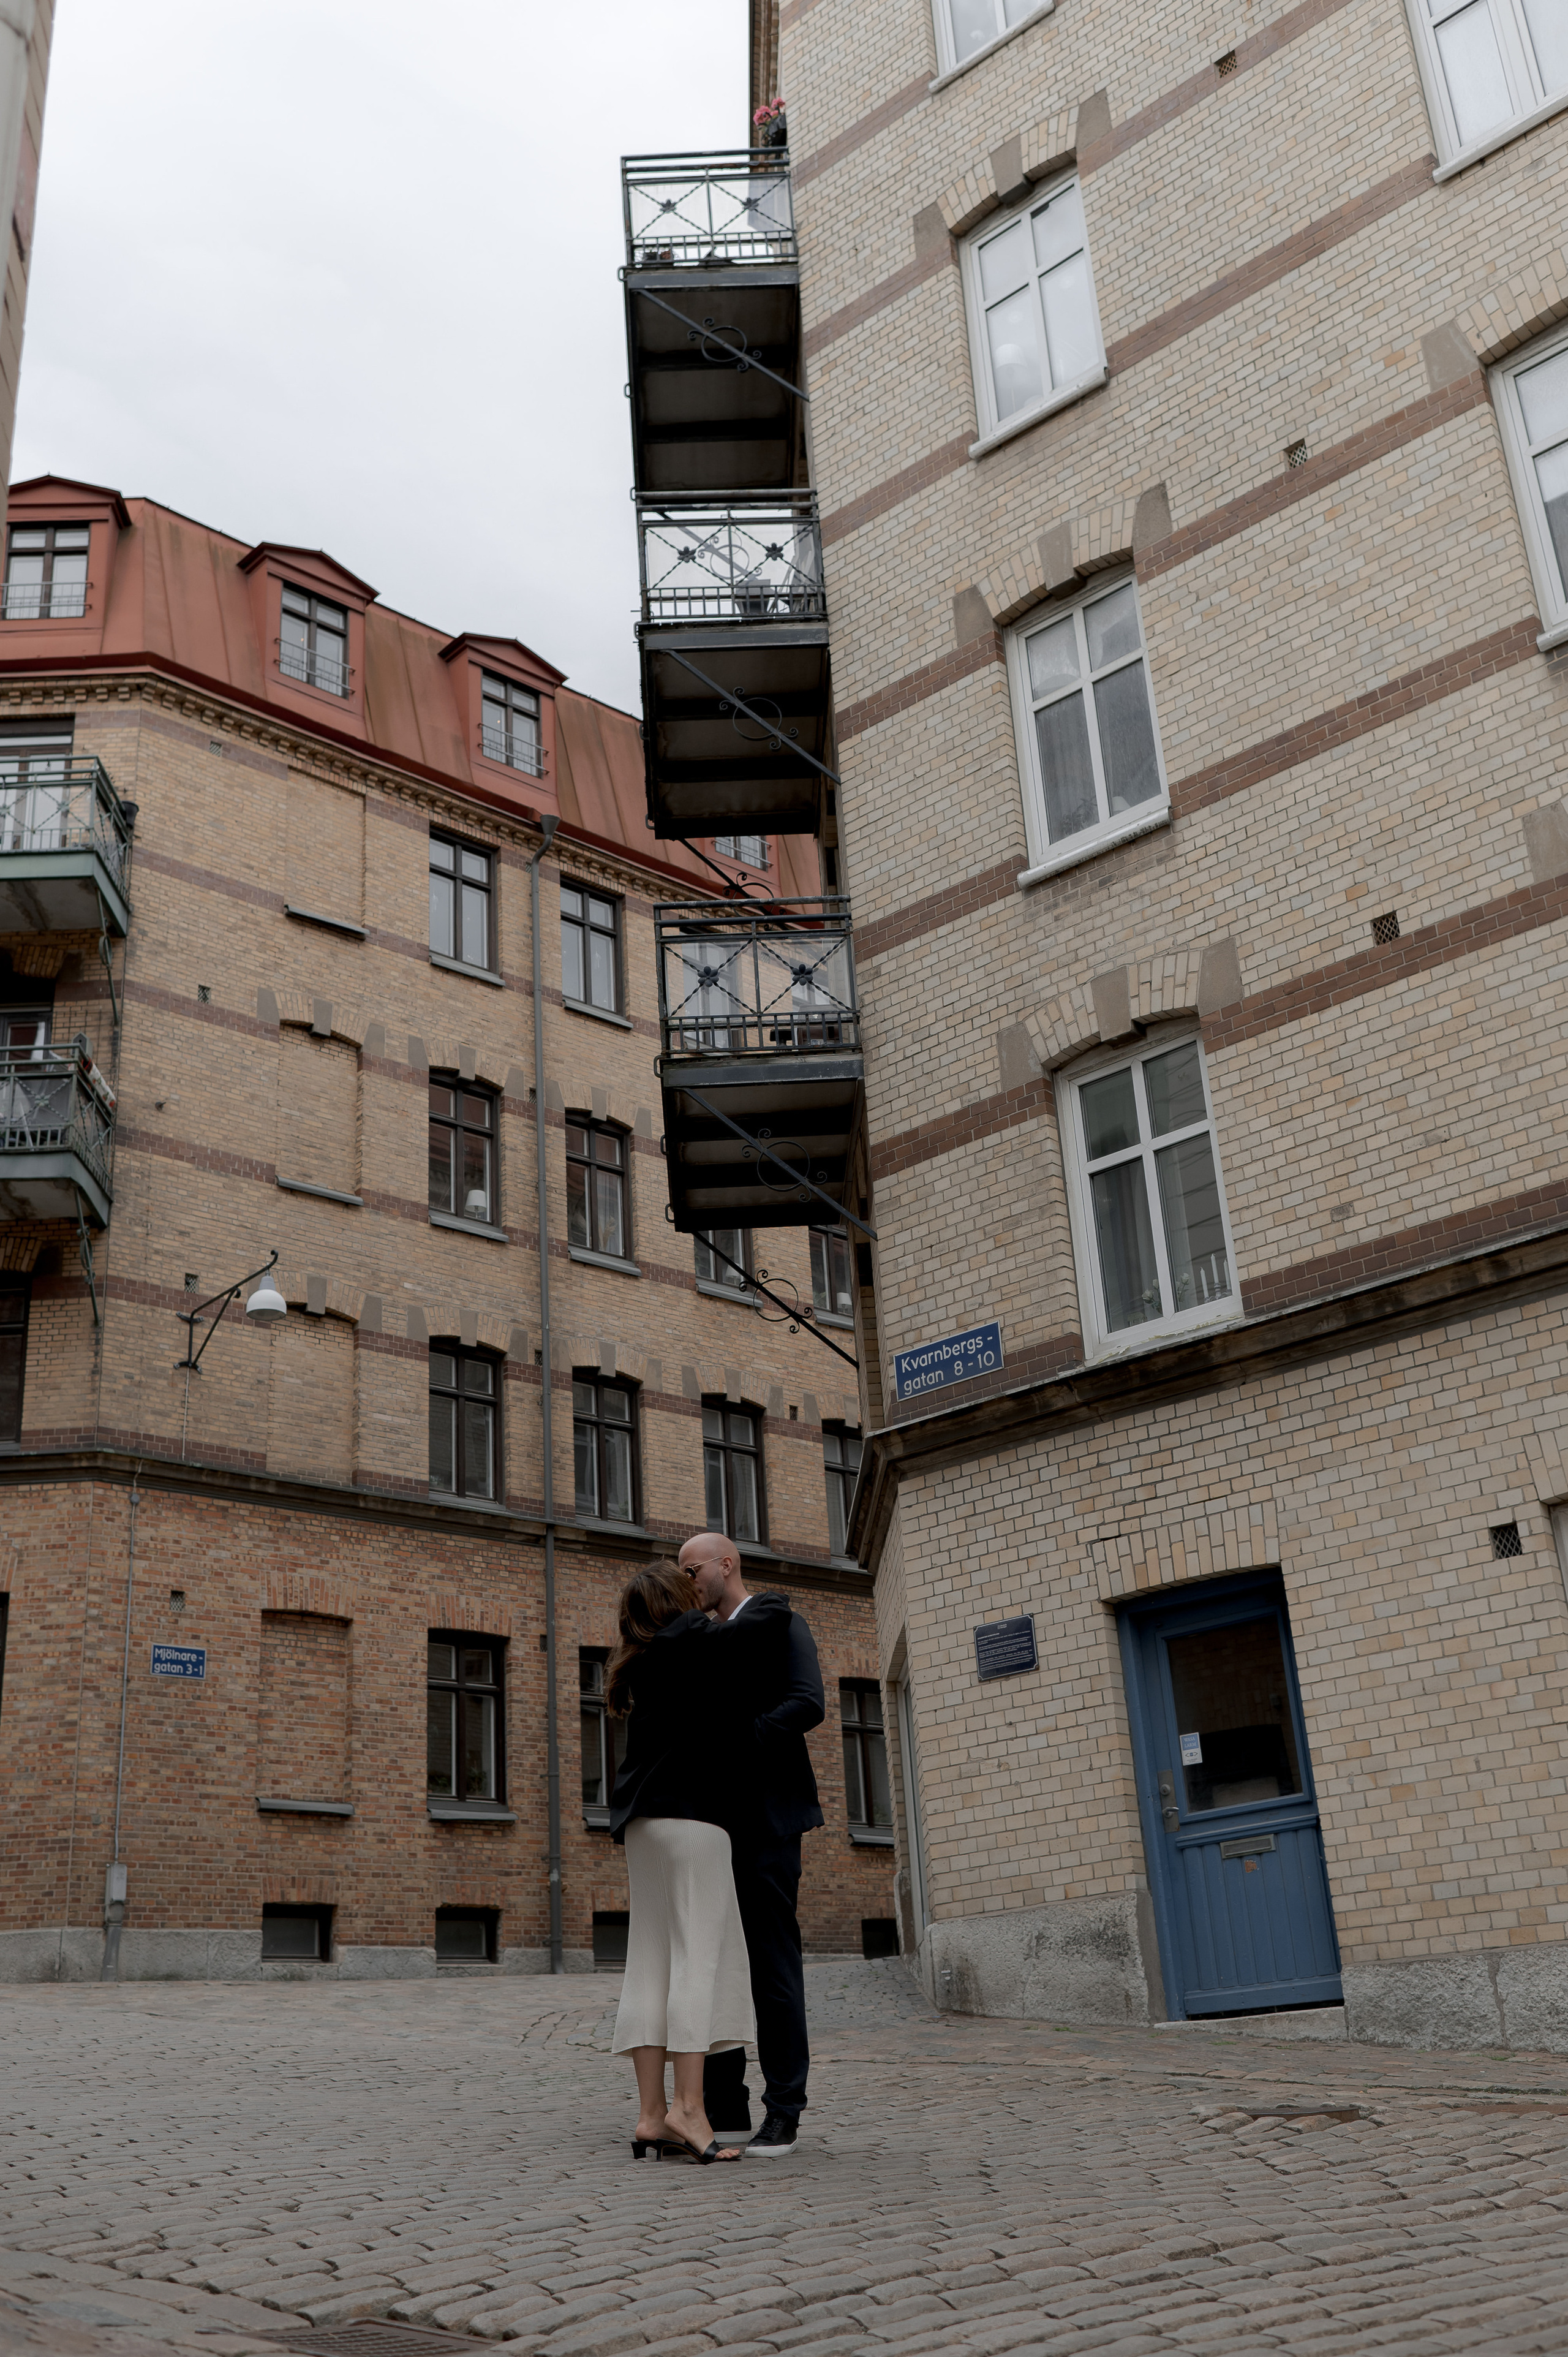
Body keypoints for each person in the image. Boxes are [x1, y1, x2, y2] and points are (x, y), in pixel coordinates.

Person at [605, 1561, 792, 2165]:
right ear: (675, 1600)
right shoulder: (693, 1637)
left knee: (650, 1965)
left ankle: (650, 2116)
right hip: (694, 1821)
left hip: (641, 1824)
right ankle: (690, 2108)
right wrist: (720, 1596)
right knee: (697, 1964)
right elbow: (770, 1614)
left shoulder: (638, 1661)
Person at [677, 1529, 824, 2158]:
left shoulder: (781, 1622)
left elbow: (807, 1702)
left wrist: (744, 1740)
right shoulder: (706, 1635)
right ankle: (724, 2104)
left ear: (726, 1563)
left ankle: (784, 2109)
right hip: (712, 1827)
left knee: (771, 1967)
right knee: (714, 1967)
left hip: (768, 1820)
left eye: (693, 1570)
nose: (688, 1581)